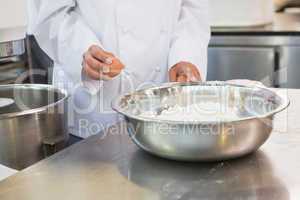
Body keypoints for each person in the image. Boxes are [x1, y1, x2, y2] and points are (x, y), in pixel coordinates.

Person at [29, 0, 211, 138]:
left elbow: (192, 10)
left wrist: (185, 55)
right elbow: (49, 14)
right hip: (92, 113)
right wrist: (82, 50)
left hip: (163, 104)